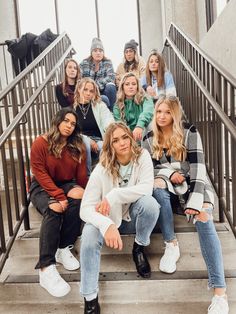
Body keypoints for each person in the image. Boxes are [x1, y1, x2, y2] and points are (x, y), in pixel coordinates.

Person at [142, 95, 229, 314]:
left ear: (175, 113)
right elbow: (147, 169)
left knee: (204, 220)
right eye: (159, 111)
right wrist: (170, 173)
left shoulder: (190, 131)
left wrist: (197, 199)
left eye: (167, 112)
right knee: (156, 184)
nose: (162, 116)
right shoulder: (148, 136)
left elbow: (199, 168)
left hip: (193, 184)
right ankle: (171, 244)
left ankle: (220, 293)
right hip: (169, 188)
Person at [79, 122, 160, 313]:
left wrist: (114, 195)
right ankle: (90, 298)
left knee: (150, 204)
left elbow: (146, 188)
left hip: (133, 218)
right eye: (116, 140)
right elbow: (85, 208)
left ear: (131, 138)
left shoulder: (143, 156)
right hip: (108, 219)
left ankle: (139, 247)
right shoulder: (101, 169)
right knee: (89, 236)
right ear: (110, 145)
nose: (122, 143)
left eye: (125, 137)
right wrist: (106, 224)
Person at [29, 108, 87, 298]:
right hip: (42, 186)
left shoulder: (77, 146)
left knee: (79, 195)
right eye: (66, 121)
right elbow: (40, 173)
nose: (69, 126)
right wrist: (58, 196)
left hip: (65, 183)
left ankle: (63, 247)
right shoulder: (41, 143)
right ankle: (46, 267)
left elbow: (80, 178)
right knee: (54, 207)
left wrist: (88, 195)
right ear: (58, 121)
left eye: (73, 124)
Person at [74, 77, 114, 175]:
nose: (88, 93)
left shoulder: (100, 106)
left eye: (91, 91)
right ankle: (87, 176)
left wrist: (109, 135)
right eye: (85, 90)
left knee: (103, 147)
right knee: (85, 143)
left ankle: (102, 176)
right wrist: (88, 140)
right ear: (79, 89)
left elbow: (109, 121)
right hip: (81, 140)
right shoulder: (72, 109)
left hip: (99, 140)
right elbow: (73, 131)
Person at [113, 72, 154, 142]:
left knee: (152, 125)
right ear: (122, 87)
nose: (131, 87)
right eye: (127, 84)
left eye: (134, 84)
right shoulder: (117, 105)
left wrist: (139, 126)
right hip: (128, 137)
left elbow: (148, 112)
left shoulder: (146, 98)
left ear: (137, 86)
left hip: (144, 131)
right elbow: (120, 124)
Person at [80, 38, 116, 111]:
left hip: (103, 90)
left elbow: (111, 77)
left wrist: (96, 86)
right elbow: (79, 78)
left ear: (103, 52)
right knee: (104, 99)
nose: (98, 53)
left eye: (100, 51)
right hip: (89, 91)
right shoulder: (84, 63)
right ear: (91, 52)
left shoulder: (107, 62)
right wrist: (90, 87)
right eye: (95, 51)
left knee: (111, 86)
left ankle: (112, 112)